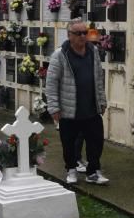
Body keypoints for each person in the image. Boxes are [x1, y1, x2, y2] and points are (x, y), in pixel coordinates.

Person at [46, 18, 109, 185]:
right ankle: (71, 169)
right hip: (69, 109)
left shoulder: (93, 51)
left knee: (96, 141)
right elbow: (51, 83)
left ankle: (93, 172)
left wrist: (102, 101)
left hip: (91, 107)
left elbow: (98, 77)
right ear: (69, 35)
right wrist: (54, 107)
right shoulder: (60, 55)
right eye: (78, 33)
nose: (83, 36)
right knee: (70, 142)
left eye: (85, 33)